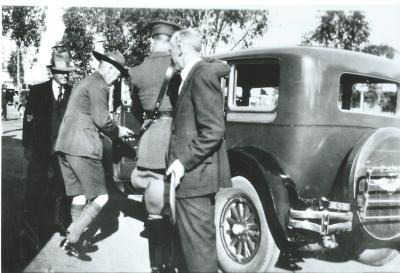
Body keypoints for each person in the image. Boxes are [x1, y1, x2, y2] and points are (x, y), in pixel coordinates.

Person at [55, 50, 134, 261]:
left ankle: (76, 241)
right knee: (102, 196)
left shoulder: (84, 82)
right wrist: (118, 130)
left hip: (65, 146)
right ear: (109, 68)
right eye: (117, 75)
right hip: (83, 148)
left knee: (80, 195)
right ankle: (72, 238)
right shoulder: (100, 85)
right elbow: (101, 120)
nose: (116, 80)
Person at [166, 28, 232, 272]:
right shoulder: (196, 74)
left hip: (193, 179)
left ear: (180, 48)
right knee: (192, 252)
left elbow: (214, 130)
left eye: (172, 51)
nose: (171, 57)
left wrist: (183, 161)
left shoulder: (200, 75)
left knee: (199, 256)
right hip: (194, 180)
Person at [128, 20, 181, 273]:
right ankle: (170, 264)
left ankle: (156, 267)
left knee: (153, 212)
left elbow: (137, 111)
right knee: (175, 208)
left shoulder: (137, 72)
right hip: (174, 139)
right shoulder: (178, 69)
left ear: (151, 40)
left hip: (149, 140)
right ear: (172, 42)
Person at [22, 51, 77, 236]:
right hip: (40, 148)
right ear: (52, 71)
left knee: (61, 187)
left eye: (67, 72)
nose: (65, 75)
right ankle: (31, 223)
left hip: (63, 149)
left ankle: (59, 222)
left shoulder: (72, 92)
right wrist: (27, 146)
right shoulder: (38, 91)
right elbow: (28, 120)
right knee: (37, 185)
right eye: (61, 71)